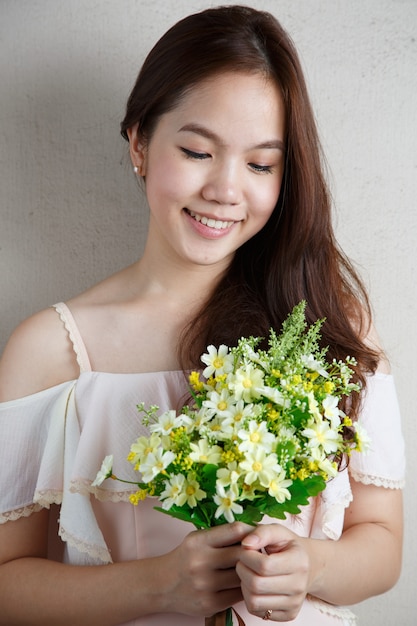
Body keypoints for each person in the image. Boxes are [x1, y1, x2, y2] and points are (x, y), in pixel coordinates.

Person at [0, 5, 405, 625]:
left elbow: (381, 543)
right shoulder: (50, 350)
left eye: (261, 164)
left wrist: (311, 567)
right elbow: (7, 585)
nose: (226, 189)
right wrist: (158, 586)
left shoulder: (331, 318)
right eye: (196, 151)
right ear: (138, 142)